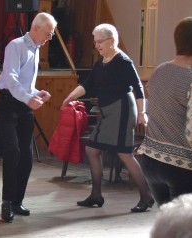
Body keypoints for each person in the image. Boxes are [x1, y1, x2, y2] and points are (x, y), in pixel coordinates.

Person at [62, 23, 153, 212]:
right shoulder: (101, 62)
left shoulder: (123, 61)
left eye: (99, 42)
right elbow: (88, 84)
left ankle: (146, 196)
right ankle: (96, 194)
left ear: (111, 41)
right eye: (95, 42)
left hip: (123, 110)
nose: (96, 45)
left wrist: (143, 113)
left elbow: (138, 88)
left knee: (124, 154)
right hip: (109, 112)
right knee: (92, 149)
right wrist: (69, 97)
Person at [138, 16, 192, 206]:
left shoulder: (159, 71)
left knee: (168, 223)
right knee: (186, 229)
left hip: (150, 160)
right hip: (180, 166)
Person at [0, 12, 57, 222]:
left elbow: (25, 84)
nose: (50, 38)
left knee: (27, 156)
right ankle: (6, 202)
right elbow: (11, 80)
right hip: (8, 104)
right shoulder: (16, 45)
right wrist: (28, 98)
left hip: (24, 103)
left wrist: (36, 93)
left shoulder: (37, 48)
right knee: (12, 152)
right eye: (48, 33)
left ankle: (17, 201)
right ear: (36, 28)